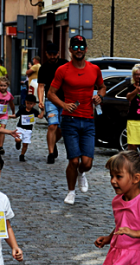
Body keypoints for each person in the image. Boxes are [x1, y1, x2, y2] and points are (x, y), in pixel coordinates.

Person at [48, 35, 105, 205]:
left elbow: (102, 87)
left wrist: (99, 97)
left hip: (88, 119)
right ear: (70, 50)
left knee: (86, 163)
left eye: (81, 47)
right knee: (73, 159)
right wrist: (63, 105)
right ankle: (71, 191)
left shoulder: (94, 69)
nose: (78, 50)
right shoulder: (63, 70)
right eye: (75, 47)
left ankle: (82, 173)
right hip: (70, 120)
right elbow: (51, 93)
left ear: (86, 49)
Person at [37, 42, 67, 164]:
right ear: (46, 54)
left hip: (65, 100)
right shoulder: (43, 68)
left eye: (55, 54)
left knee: (61, 129)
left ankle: (53, 142)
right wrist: (40, 101)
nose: (53, 56)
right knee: (52, 125)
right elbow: (41, 86)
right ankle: (50, 153)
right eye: (50, 54)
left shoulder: (65, 64)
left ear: (58, 53)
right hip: (50, 100)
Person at [9, 94, 41, 161]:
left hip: (28, 130)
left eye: (31, 104)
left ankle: (22, 155)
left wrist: (43, 110)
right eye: (27, 103)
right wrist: (10, 116)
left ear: (34, 104)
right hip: (20, 127)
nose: (29, 105)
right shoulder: (22, 109)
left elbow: (40, 116)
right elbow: (16, 115)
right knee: (18, 139)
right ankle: (18, 142)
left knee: (25, 144)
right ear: (25, 102)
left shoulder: (34, 111)